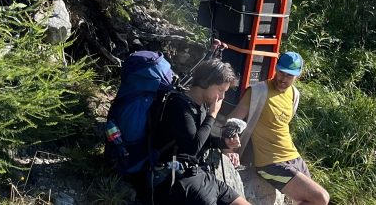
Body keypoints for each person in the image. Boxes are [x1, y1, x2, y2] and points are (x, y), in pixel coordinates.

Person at [132, 58, 252, 205]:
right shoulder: (178, 105)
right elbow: (192, 147)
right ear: (205, 82)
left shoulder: (200, 106)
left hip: (202, 176)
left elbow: (202, 139)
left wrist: (224, 142)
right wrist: (212, 115)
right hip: (178, 180)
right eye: (220, 90)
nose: (222, 97)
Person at [230, 52, 330, 205]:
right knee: (321, 198)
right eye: (281, 72)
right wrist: (229, 150)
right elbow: (233, 121)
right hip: (270, 163)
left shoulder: (294, 94)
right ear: (276, 68)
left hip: (293, 156)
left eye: (289, 76)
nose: (283, 79)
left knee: (311, 200)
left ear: (297, 76)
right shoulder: (258, 91)